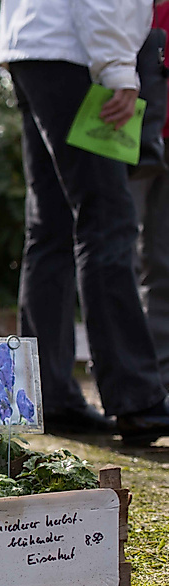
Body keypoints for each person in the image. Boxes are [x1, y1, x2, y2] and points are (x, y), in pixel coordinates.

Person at [0, 0, 169, 445]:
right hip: (78, 55)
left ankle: (49, 396)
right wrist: (118, 71)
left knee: (50, 227)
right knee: (107, 219)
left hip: (30, 48)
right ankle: (137, 399)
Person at [129, 4, 169, 391]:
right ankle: (135, 373)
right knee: (123, 251)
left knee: (161, 260)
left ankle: (160, 374)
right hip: (131, 134)